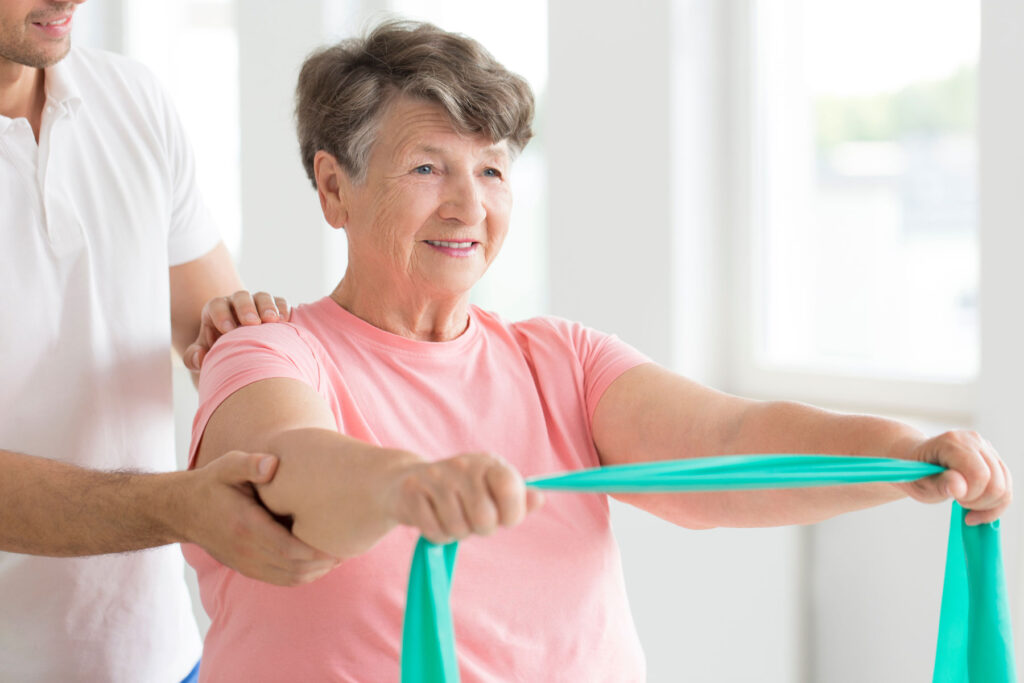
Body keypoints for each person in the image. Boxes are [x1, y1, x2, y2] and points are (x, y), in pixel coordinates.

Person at [185, 20, 1011, 682]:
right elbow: (287, 474)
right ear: (335, 188)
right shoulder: (269, 350)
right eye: (428, 167)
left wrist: (905, 454)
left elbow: (729, 440)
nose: (468, 205)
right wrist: (411, 486)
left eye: (494, 171)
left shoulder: (562, 360)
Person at [0, 1, 338, 681]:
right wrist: (182, 506)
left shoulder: (132, 99)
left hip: (161, 655)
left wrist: (260, 371)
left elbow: (208, 325)